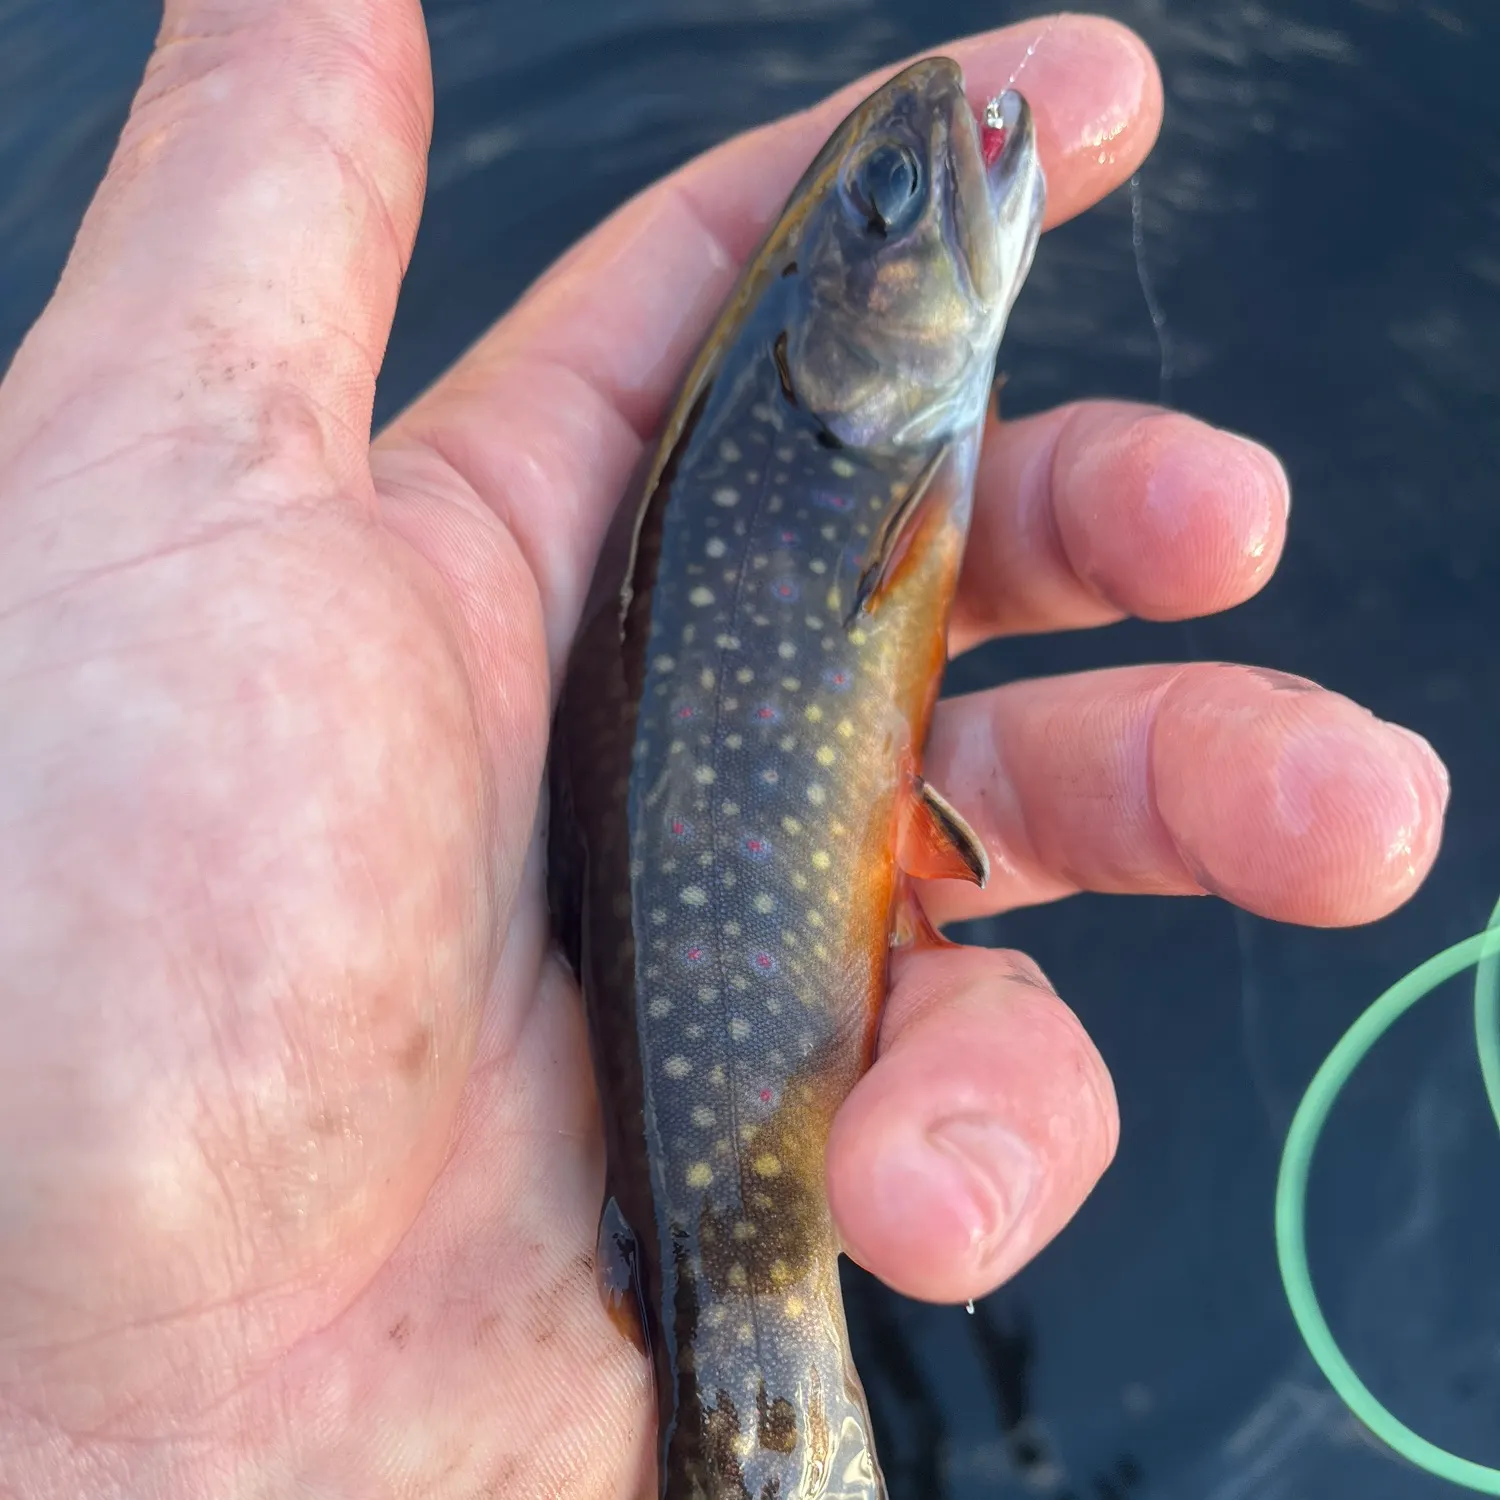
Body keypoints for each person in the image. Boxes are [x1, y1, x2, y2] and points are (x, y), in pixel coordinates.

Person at [0, 5, 1448, 1495]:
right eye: (888, 212)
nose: (929, 169)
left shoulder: (832, 461)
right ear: (820, 347)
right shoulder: (844, 475)